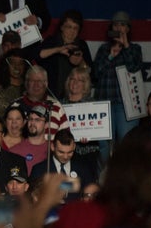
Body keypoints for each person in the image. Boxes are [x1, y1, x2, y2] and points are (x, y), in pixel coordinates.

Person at [93, 10, 143, 142]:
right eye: (115, 25)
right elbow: (96, 74)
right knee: (103, 145)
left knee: (126, 143)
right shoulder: (103, 49)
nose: (119, 28)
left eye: (122, 25)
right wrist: (110, 56)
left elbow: (133, 68)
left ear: (127, 29)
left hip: (127, 105)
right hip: (103, 103)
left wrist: (125, 45)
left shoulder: (135, 49)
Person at [34, 9, 91, 98]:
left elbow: (90, 73)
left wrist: (81, 62)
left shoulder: (82, 45)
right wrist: (58, 50)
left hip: (74, 97)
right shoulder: (52, 41)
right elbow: (37, 56)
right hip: (51, 95)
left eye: (75, 28)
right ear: (61, 27)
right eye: (69, 27)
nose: (72, 31)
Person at [29, 128, 96, 202]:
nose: (65, 156)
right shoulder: (39, 169)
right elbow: (32, 197)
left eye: (70, 152)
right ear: (52, 147)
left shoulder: (84, 168)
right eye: (61, 152)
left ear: (74, 146)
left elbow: (91, 193)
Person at [61, 66, 100, 173]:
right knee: (68, 185)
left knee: (87, 185)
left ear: (85, 84)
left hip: (88, 152)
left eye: (80, 80)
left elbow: (99, 130)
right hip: (65, 152)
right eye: (72, 79)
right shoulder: (60, 104)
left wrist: (90, 135)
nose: (75, 82)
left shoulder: (93, 104)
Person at [11, 64, 68, 137]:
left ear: (46, 84)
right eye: (32, 81)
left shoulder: (56, 106)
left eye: (40, 81)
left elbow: (65, 139)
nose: (36, 85)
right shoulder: (15, 106)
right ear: (26, 83)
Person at [0, 49, 27, 118]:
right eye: (13, 63)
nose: (16, 67)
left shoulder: (29, 88)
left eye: (20, 64)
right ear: (7, 65)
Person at [9, 105, 48, 174]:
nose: (32, 123)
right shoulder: (14, 151)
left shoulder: (52, 149)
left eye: (37, 120)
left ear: (46, 124)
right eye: (30, 119)